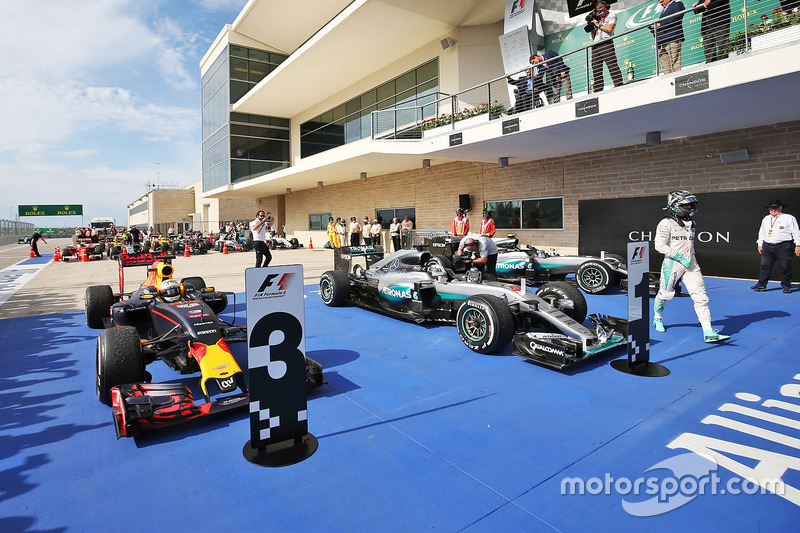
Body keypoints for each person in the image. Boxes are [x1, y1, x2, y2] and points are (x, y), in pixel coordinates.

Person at [652, 190, 730, 343]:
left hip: (692, 265)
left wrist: (691, 259)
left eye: (690, 204)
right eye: (685, 204)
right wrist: (680, 257)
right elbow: (659, 246)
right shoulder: (665, 223)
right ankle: (658, 318)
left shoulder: (691, 223)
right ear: (675, 206)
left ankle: (708, 331)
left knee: (701, 297)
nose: (689, 207)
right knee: (665, 294)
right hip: (672, 264)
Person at [752, 199, 800, 293]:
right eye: (771, 208)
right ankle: (761, 285)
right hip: (767, 246)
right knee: (765, 266)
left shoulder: (789, 218)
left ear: (780, 208)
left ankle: (786, 286)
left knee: (785, 266)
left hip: (784, 246)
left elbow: (796, 232)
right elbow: (761, 232)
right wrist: (760, 244)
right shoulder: (766, 219)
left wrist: (798, 245)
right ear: (769, 209)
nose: (773, 210)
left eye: (776, 208)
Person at [589, 1, 624, 91]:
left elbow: (609, 29)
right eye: (599, 9)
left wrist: (598, 24)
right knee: (596, 70)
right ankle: (598, 90)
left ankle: (619, 85)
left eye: (602, 8)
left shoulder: (611, 15)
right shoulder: (597, 19)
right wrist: (592, 27)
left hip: (606, 43)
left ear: (607, 7)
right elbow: (593, 37)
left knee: (612, 65)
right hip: (595, 46)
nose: (601, 11)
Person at [655, 0, 686, 74]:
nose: (661, 3)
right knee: (666, 68)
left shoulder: (677, 4)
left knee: (675, 64)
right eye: (660, 2)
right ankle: (668, 82)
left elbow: (676, 17)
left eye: (662, 1)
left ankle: (677, 80)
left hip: (672, 39)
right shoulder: (663, 11)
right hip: (662, 42)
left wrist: (661, 24)